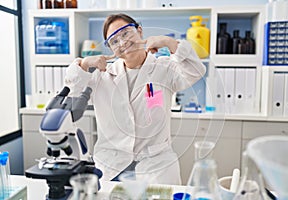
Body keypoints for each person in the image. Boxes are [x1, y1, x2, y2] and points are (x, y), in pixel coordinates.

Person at [65, 13, 206, 185]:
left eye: (125, 33)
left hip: (156, 166)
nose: (122, 43)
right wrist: (84, 64)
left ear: (139, 31)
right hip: (112, 167)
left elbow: (196, 71)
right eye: (114, 41)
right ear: (110, 48)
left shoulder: (164, 68)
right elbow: (71, 92)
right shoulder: (101, 76)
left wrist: (169, 43)